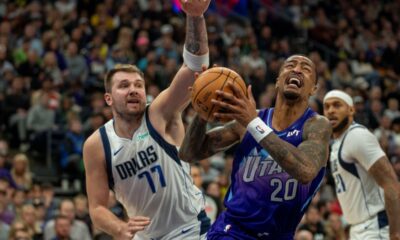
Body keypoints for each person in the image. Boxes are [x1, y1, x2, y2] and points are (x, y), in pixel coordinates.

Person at [82, 1, 212, 239]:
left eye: (138, 85)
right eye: (124, 86)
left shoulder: (159, 112)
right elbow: (97, 208)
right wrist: (119, 227)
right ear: (108, 99)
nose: (133, 90)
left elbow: (197, 68)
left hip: (189, 229)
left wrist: (195, 17)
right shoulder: (96, 145)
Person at [179, 55, 332, 239]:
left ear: (314, 88)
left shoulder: (316, 125)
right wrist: (203, 109)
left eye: (305, 69)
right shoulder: (248, 121)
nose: (297, 70)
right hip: (233, 230)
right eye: (290, 65)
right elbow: (189, 153)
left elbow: (305, 171)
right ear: (277, 81)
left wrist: (253, 123)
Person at [323, 90, 400, 240]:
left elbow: (391, 184)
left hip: (375, 226)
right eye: (326, 107)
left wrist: (395, 233)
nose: (331, 110)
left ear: (351, 110)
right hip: (359, 228)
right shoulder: (337, 143)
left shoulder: (357, 136)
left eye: (337, 105)